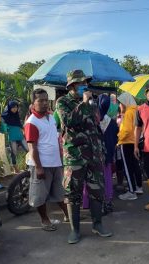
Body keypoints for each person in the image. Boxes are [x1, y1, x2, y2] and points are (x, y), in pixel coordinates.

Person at [56, 69, 112, 244]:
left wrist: (102, 149)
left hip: (94, 154)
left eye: (85, 83)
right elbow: (69, 122)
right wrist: (84, 103)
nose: (84, 86)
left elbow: (96, 125)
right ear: (72, 85)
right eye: (81, 83)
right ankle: (75, 230)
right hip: (74, 156)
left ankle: (97, 224)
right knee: (73, 192)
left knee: (97, 190)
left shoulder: (92, 103)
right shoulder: (62, 102)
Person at [24, 89, 68, 231]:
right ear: (33, 104)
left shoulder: (50, 117)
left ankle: (68, 214)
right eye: (40, 101)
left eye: (46, 100)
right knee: (40, 195)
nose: (44, 103)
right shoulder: (32, 122)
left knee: (60, 192)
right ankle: (45, 220)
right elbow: (32, 147)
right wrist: (38, 167)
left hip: (55, 162)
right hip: (42, 164)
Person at [117, 92, 143, 200]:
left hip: (126, 142)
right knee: (135, 165)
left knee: (127, 168)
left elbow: (126, 130)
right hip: (135, 141)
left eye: (120, 103)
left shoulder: (128, 113)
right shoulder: (136, 110)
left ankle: (131, 191)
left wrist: (119, 139)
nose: (119, 106)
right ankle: (138, 186)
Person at [2, 101, 29, 173]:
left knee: (28, 150)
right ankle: (15, 168)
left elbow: (20, 125)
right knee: (13, 152)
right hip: (12, 136)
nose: (15, 109)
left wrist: (24, 131)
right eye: (13, 107)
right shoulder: (4, 116)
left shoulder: (16, 115)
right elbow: (3, 126)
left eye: (16, 107)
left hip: (20, 135)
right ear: (9, 108)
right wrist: (6, 129)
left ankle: (28, 166)